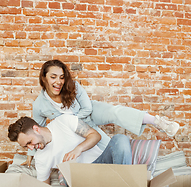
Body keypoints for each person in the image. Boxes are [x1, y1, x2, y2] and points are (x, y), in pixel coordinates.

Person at [25, 59, 179, 165]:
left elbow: (87, 108)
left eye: (61, 77)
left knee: (115, 112)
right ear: (44, 78)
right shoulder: (39, 105)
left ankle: (157, 121)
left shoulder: (73, 86)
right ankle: (132, 169)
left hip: (89, 113)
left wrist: (73, 122)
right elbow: (38, 131)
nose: (58, 82)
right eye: (53, 77)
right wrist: (30, 157)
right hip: (81, 128)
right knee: (108, 147)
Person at [8, 115, 132, 184]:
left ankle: (125, 186)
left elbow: (95, 135)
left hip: (102, 163)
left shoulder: (64, 121)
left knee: (120, 139)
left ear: (36, 129)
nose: (30, 148)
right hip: (82, 178)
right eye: (26, 146)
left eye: (29, 142)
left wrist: (79, 149)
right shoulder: (40, 158)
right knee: (68, 181)